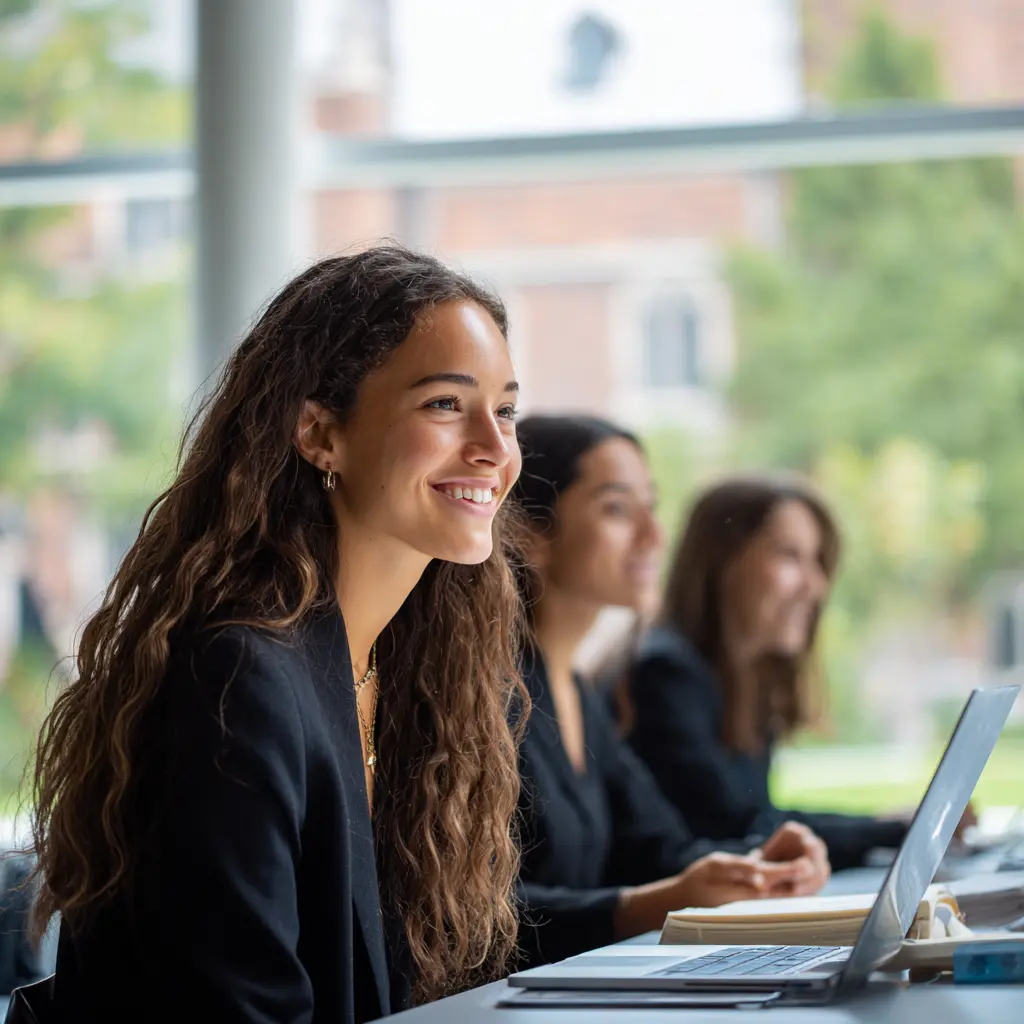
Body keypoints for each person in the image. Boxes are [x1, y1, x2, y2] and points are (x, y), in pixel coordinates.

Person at [27, 247, 528, 1023]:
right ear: (319, 433)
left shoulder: (400, 670)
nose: (495, 450)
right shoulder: (236, 677)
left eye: (505, 411)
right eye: (443, 405)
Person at [512, 416, 830, 969]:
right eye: (616, 509)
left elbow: (663, 848)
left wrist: (758, 865)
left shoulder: (576, 693)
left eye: (651, 507)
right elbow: (468, 919)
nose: (654, 537)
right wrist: (650, 904)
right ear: (529, 533)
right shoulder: (486, 696)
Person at [624, 477, 917, 872]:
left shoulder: (746, 681)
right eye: (790, 557)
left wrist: (889, 825)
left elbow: (759, 814)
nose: (816, 586)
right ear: (723, 560)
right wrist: (892, 829)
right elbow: (738, 827)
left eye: (817, 560)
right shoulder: (665, 676)